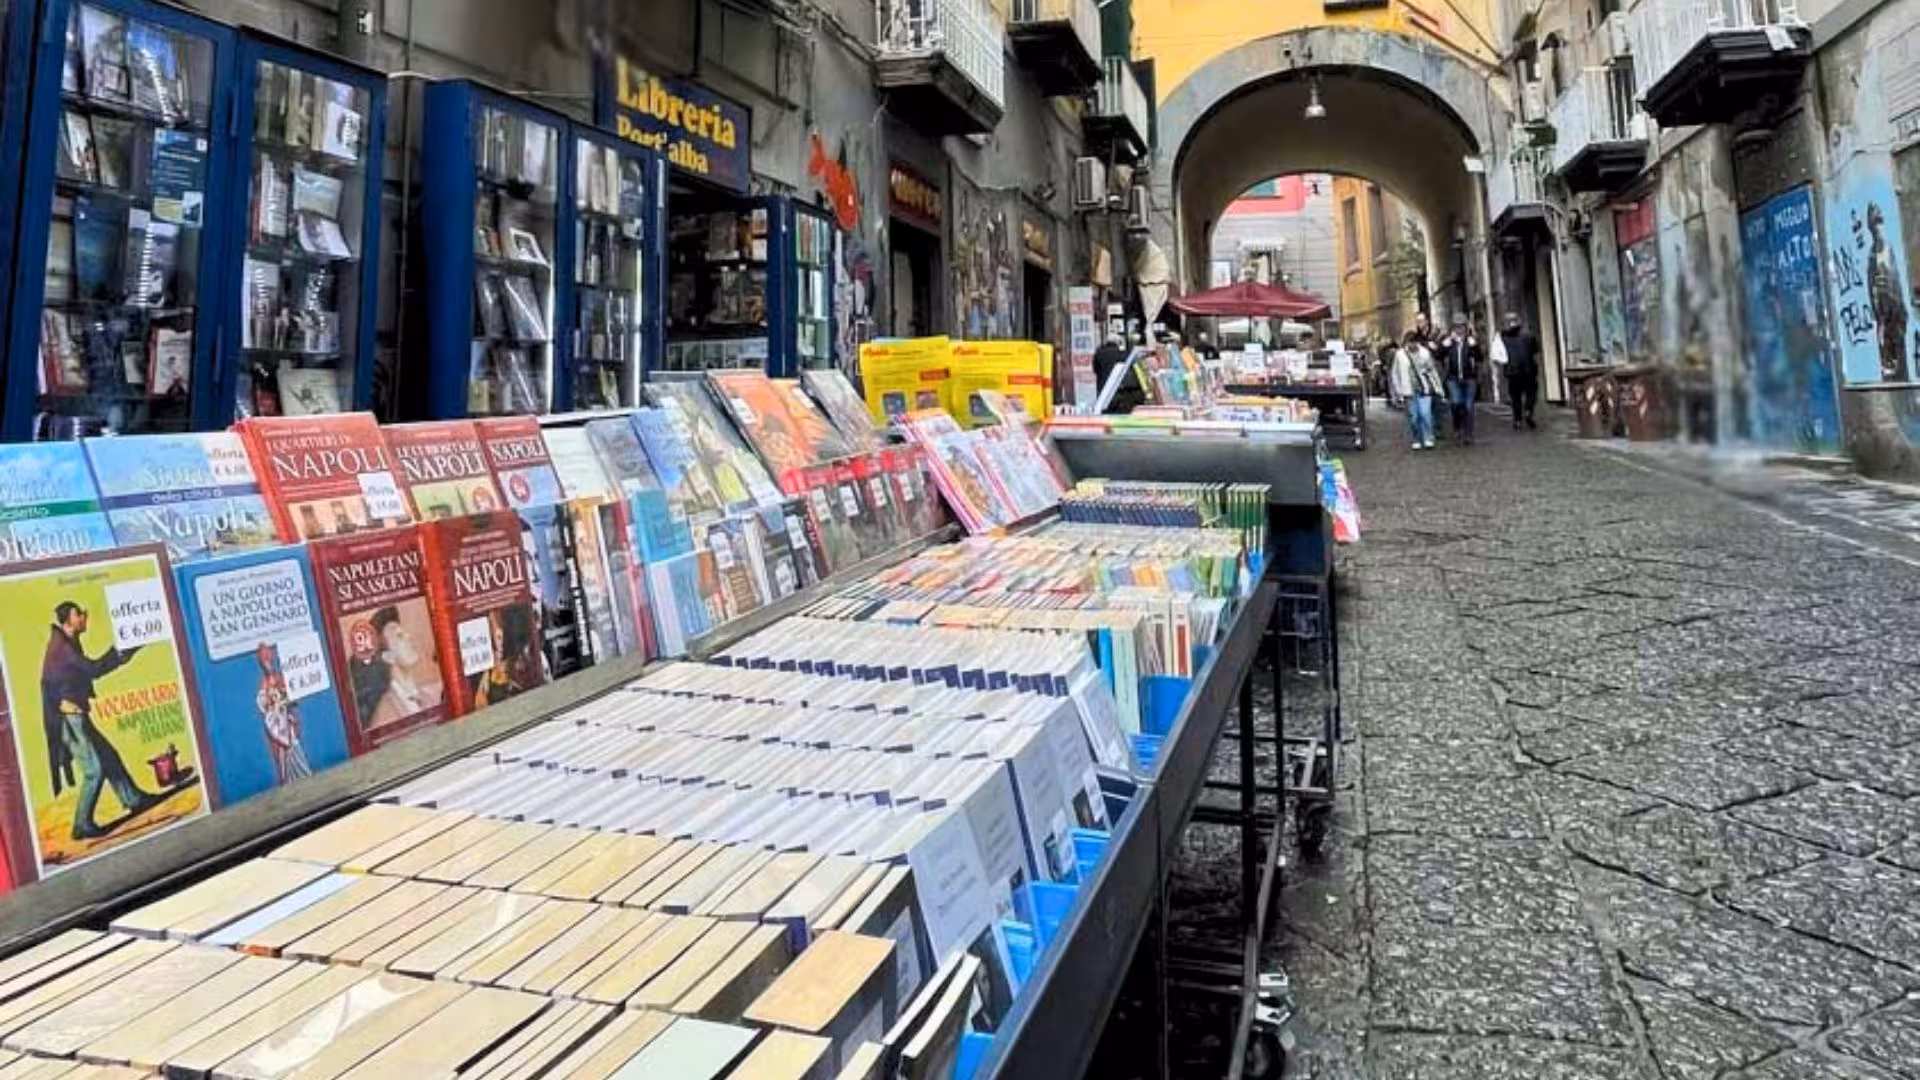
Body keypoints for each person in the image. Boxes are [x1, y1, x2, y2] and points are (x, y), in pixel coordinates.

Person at [40, 601, 167, 839]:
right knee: (94, 771)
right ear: (69, 619)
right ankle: (81, 824)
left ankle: (133, 799)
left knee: (108, 757)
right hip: (69, 720)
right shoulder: (62, 648)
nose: (85, 617)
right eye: (80, 614)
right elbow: (93, 669)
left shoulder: (67, 642)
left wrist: (122, 654)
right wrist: (120, 653)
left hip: (76, 715)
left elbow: (85, 671)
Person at [1391, 331, 1443, 449]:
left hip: (1424, 388)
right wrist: (1398, 390)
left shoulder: (1425, 353)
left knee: (1425, 414)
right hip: (1408, 389)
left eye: (1414, 342)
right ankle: (1416, 437)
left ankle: (1428, 437)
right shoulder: (1400, 355)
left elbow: (1432, 370)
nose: (1412, 345)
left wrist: (1438, 388)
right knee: (1414, 416)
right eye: (1409, 342)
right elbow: (1395, 373)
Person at [1438, 313, 1483, 445]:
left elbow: (1480, 358)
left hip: (1469, 378)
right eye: (1457, 327)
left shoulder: (1471, 341)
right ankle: (1457, 425)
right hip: (1453, 378)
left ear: (1466, 327)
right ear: (1453, 328)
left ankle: (1468, 434)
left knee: (1469, 406)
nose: (1459, 329)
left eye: (1462, 326)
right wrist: (1443, 346)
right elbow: (1438, 356)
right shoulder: (1448, 342)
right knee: (1456, 403)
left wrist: (1475, 346)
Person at [1501, 312, 1542, 429]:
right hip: (1528, 369)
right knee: (1531, 393)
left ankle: (1517, 419)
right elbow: (1535, 351)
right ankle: (1528, 411)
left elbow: (1498, 354)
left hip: (1511, 371)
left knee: (1516, 397)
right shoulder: (1528, 335)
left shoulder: (1502, 337)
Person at [1092, 333, 1145, 414]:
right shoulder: (1123, 354)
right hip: (1118, 391)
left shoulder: (1098, 354)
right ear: (1118, 343)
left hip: (1103, 391)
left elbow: (1096, 370)